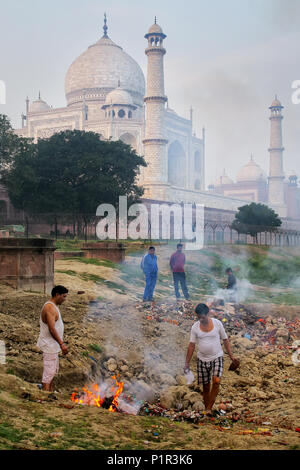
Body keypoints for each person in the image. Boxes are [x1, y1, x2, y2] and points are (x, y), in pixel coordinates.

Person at [184, 303, 236, 415]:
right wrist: (187, 363)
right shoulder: (195, 327)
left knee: (216, 381)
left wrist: (231, 356)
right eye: (198, 317)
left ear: (208, 314)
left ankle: (208, 408)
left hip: (217, 356)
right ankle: (208, 410)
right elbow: (191, 345)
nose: (201, 320)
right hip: (202, 359)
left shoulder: (217, 324)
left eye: (202, 317)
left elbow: (225, 340)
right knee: (206, 386)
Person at [37, 285, 69, 391]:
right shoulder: (50, 307)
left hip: (53, 346)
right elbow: (51, 329)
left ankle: (50, 393)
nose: (65, 299)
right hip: (49, 345)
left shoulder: (54, 306)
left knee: (52, 371)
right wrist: (61, 344)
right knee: (49, 373)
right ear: (57, 295)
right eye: (64, 296)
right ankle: (45, 397)